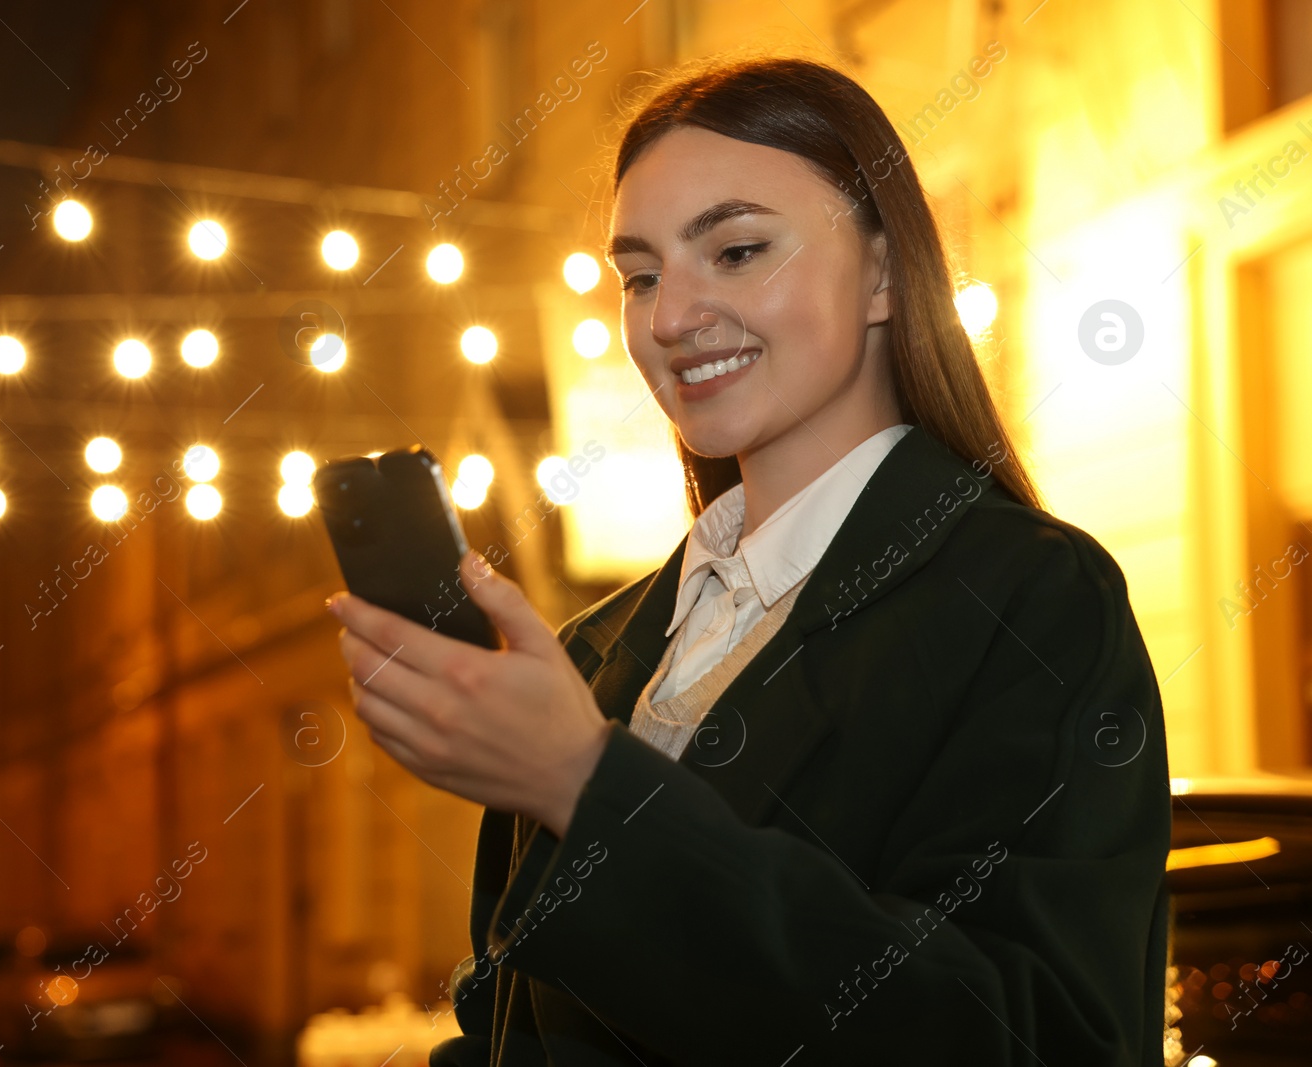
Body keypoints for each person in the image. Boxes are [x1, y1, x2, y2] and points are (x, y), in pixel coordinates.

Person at [328, 54, 1171, 1066]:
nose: (669, 317)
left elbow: (1029, 1039)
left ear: (882, 272)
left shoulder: (1029, 599)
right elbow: (517, 1022)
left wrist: (584, 784)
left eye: (734, 250)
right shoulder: (593, 650)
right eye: (638, 275)